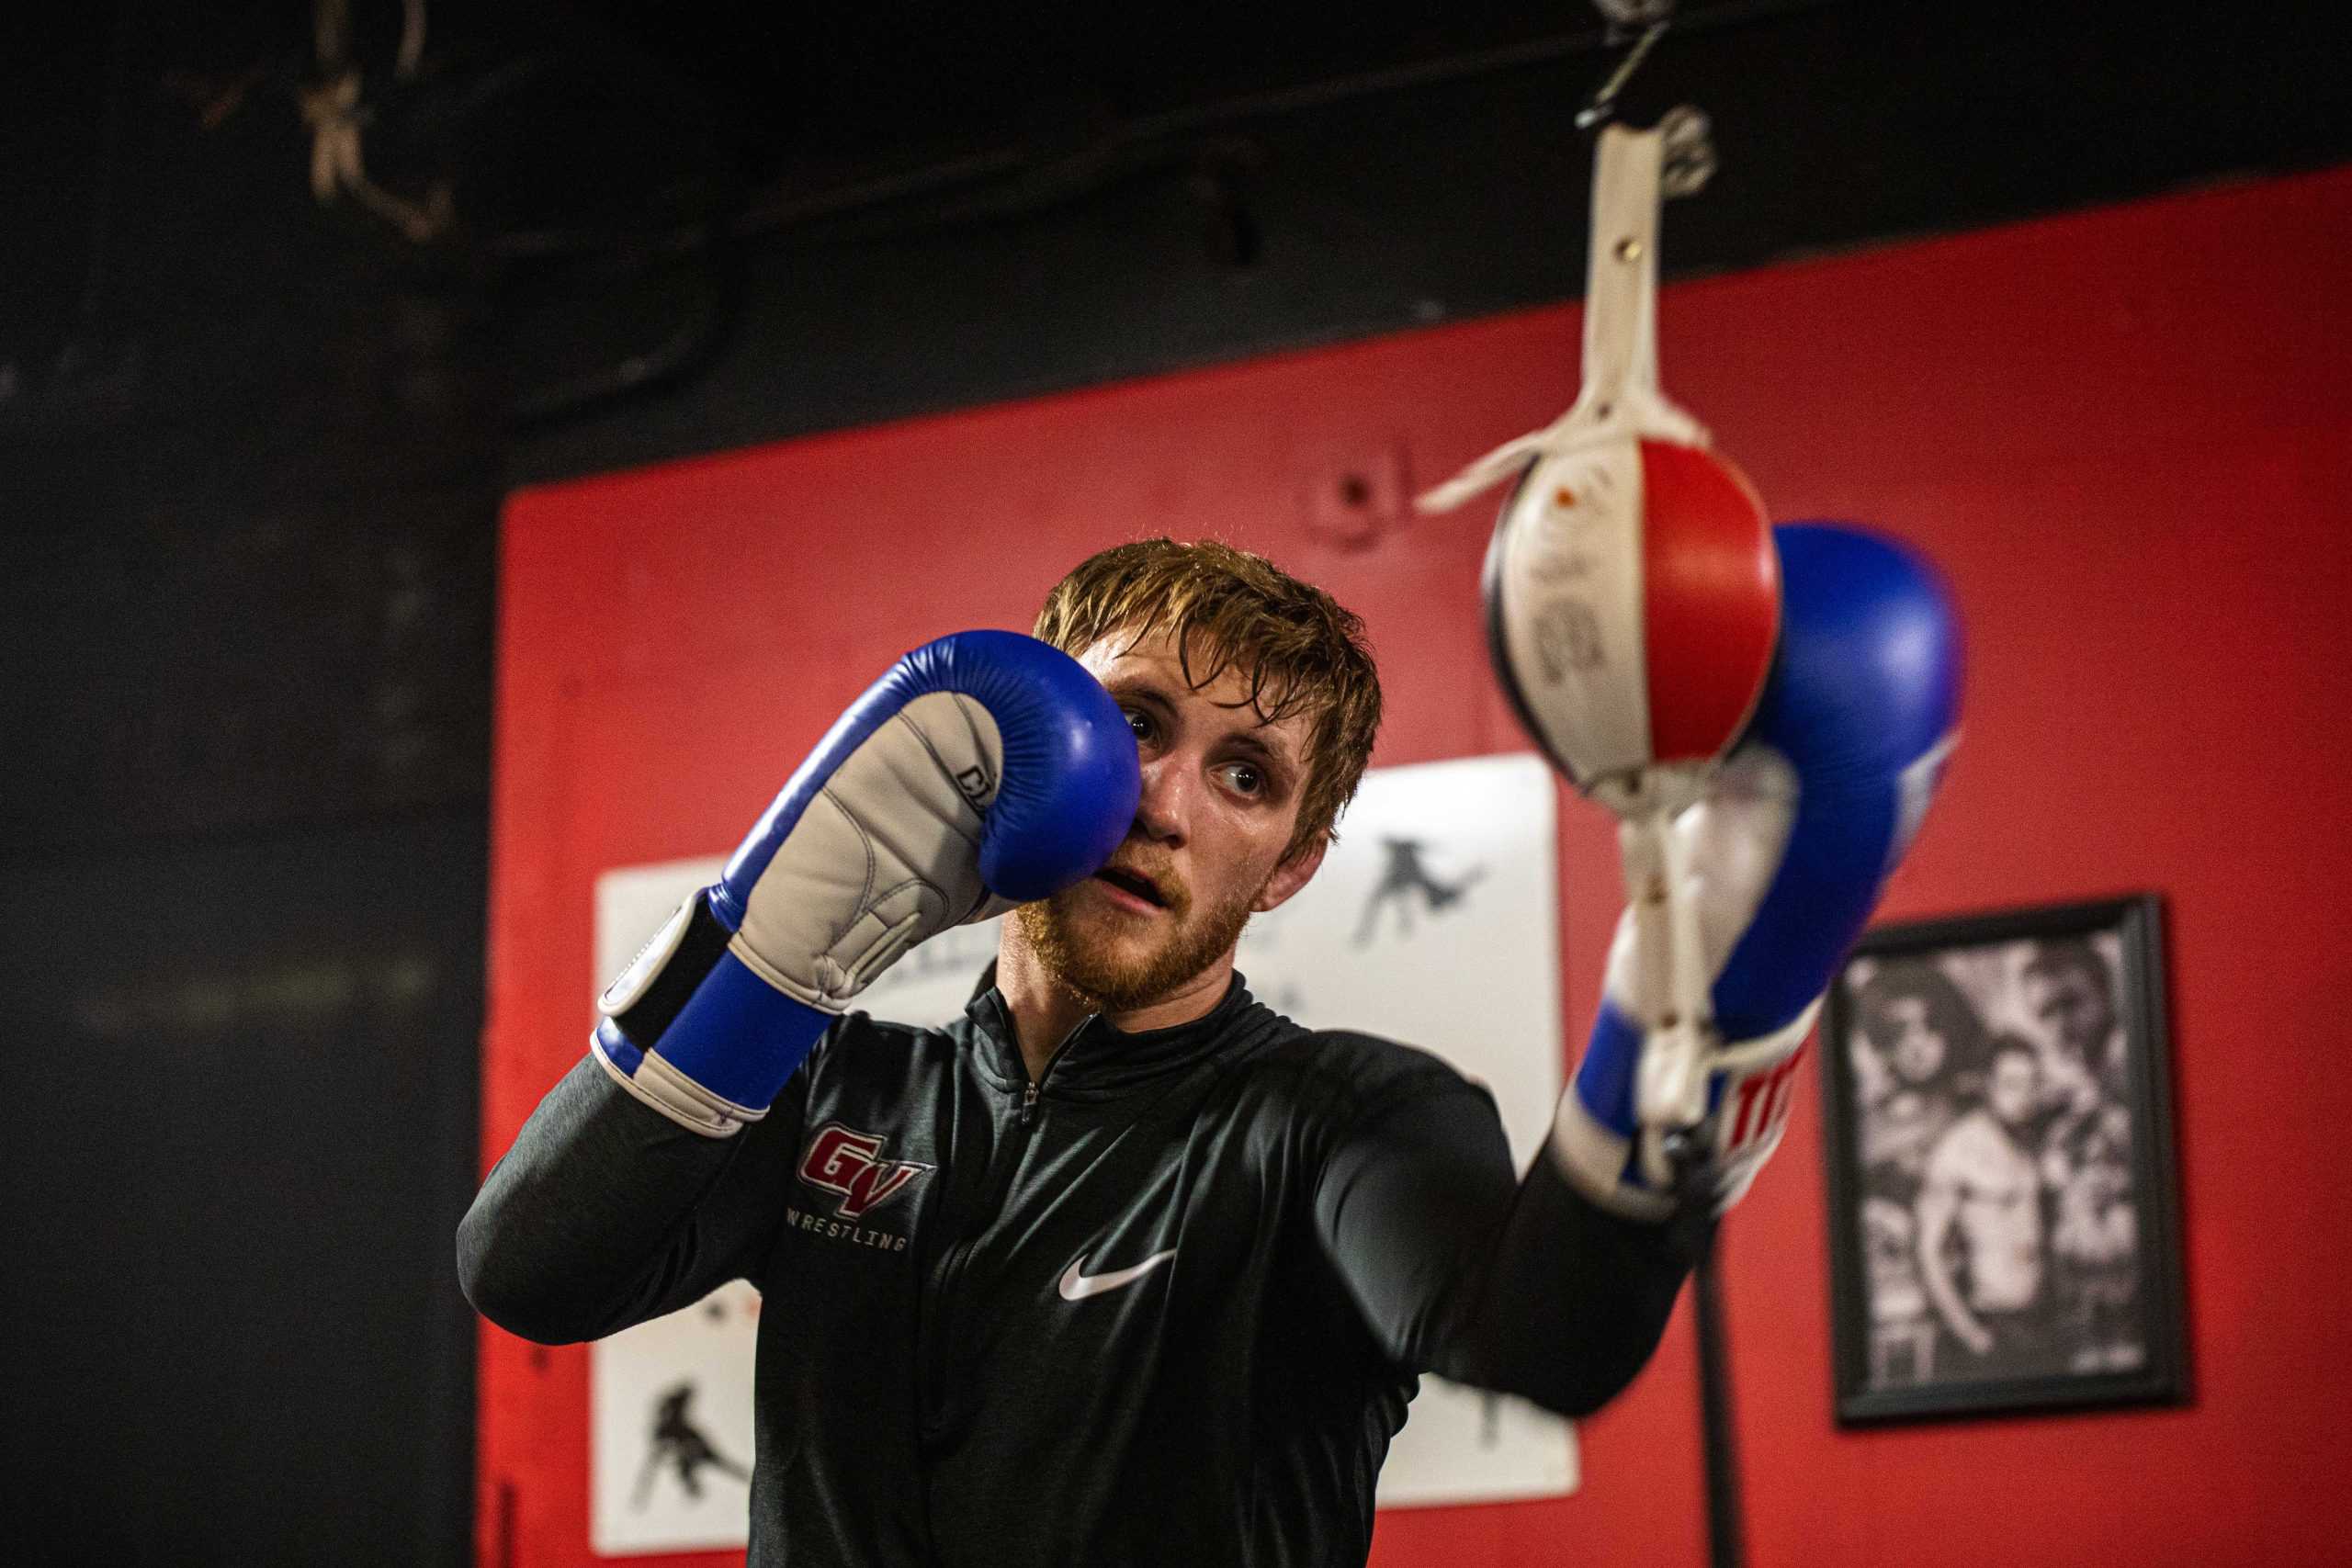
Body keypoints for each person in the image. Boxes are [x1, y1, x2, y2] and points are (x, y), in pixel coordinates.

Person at [460, 532, 1956, 1566]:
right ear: (1017, 738)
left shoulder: (1338, 1117)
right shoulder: (834, 1090)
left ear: (1292, 863)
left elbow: (1537, 1331)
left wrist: (1708, 1016)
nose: (1167, 803)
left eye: (1246, 775)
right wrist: (760, 952)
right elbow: (526, 1268)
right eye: (1131, 724)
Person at [1916, 1034, 2054, 1378]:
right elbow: (1927, 1253)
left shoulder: (2029, 1143)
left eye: (2032, 1083)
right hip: (1991, 1326)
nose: (2025, 1095)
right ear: (1988, 1085)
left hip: (2040, 1321)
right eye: (2012, 1083)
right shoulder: (1959, 1149)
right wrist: (1973, 1336)